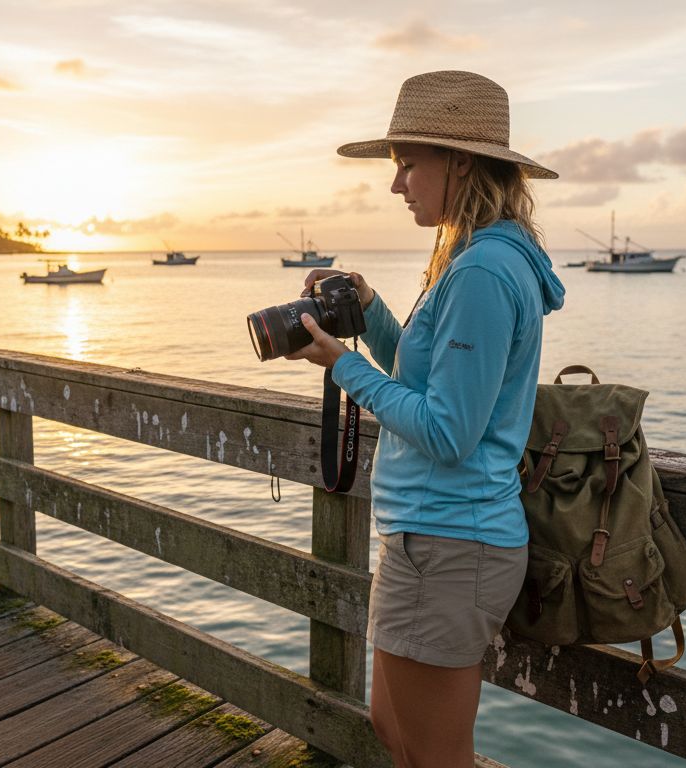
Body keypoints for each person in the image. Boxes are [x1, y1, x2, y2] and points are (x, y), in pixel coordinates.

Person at [285, 70, 566, 767]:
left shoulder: (481, 272)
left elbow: (448, 429)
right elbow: (428, 374)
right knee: (391, 725)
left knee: (436, 756)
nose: (396, 183)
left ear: (461, 162)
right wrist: (371, 310)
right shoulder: (475, 257)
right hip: (431, 540)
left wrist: (339, 366)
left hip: (452, 543)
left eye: (409, 164)